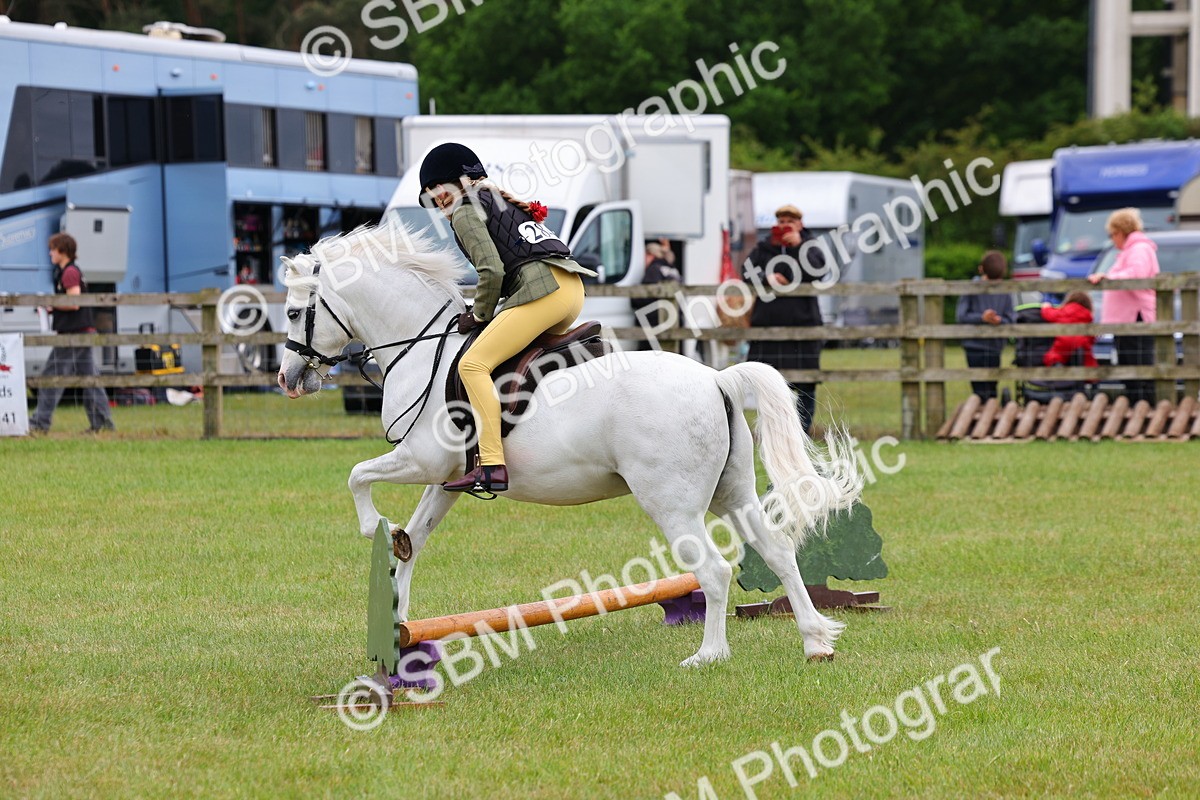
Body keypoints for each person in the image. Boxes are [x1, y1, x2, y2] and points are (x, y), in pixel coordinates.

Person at [420, 143, 597, 494]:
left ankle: (491, 464)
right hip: (570, 290)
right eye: (429, 194)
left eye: (437, 188)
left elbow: (491, 270)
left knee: (472, 365)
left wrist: (479, 313)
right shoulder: (496, 200)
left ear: (460, 179)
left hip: (543, 291)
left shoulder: (465, 210)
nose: (435, 198)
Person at [740, 205, 826, 433]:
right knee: (769, 382)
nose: (784, 224)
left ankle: (801, 432)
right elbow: (746, 272)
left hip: (804, 323)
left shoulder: (810, 247)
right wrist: (766, 277)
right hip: (768, 325)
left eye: (790, 220)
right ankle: (775, 430)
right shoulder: (764, 247)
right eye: (781, 220)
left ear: (800, 223)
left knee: (805, 382)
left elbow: (819, 271)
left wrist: (798, 245)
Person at [30, 233, 115, 434]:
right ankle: (102, 424)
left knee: (51, 376)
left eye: (53, 249)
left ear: (63, 251)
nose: (50, 253)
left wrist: (51, 304)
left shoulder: (69, 273)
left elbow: (74, 303)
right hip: (82, 331)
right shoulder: (69, 271)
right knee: (89, 379)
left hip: (73, 334)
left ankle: (40, 422)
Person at [1089, 208, 1158, 405]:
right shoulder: (1131, 250)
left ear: (1121, 231)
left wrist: (1109, 278)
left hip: (1135, 319)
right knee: (1130, 366)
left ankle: (1144, 409)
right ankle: (1138, 406)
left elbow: (1137, 273)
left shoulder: (1139, 249)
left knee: (1138, 367)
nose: (1112, 239)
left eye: (1112, 234)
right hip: (1127, 320)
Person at [955, 250, 1014, 401]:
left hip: (994, 346)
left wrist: (999, 320)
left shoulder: (1005, 292)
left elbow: (1011, 317)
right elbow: (961, 315)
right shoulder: (971, 288)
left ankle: (991, 415)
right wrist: (982, 318)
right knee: (978, 388)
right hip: (974, 345)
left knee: (992, 386)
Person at [632, 241, 681, 349]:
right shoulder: (672, 269)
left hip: (654, 321)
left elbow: (646, 295)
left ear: (650, 255)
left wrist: (633, 296)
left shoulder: (654, 269)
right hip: (673, 319)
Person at [1040, 291, 1098, 368]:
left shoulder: (1064, 310)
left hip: (1065, 339)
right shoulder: (1087, 315)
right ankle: (1086, 374)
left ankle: (1056, 365)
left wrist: (1046, 307)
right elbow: (1091, 336)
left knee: (1055, 355)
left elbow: (1050, 315)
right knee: (1087, 359)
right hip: (1081, 342)